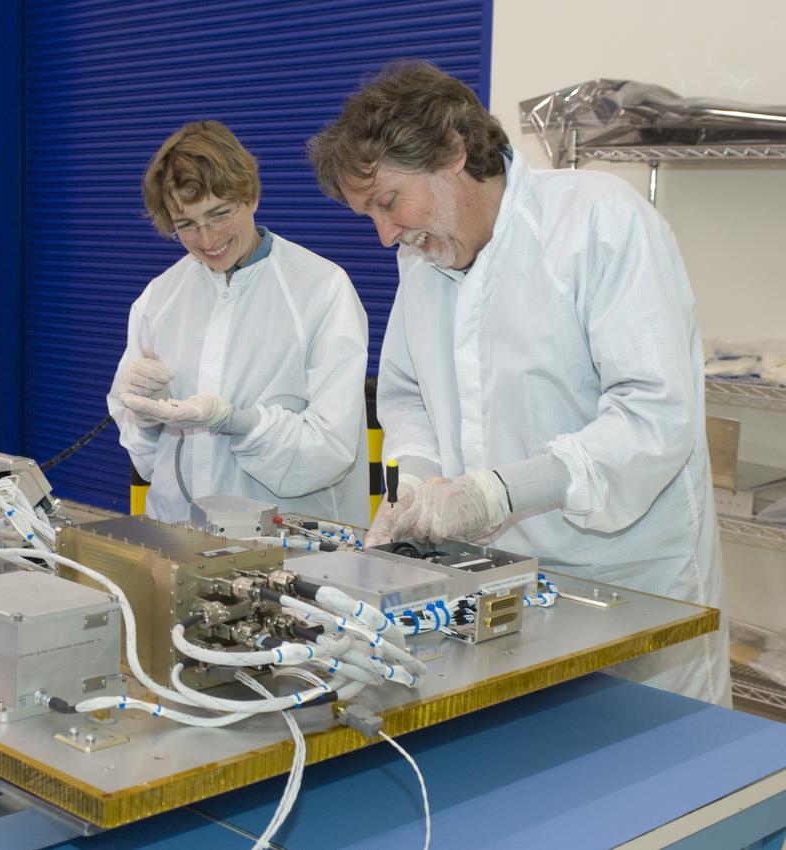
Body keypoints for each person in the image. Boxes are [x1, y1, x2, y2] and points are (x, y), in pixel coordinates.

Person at [307, 61, 729, 704]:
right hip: (506, 584)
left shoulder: (597, 223)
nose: (386, 234)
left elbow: (654, 417)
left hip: (633, 583)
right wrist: (415, 482)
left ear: (451, 152)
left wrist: (494, 495)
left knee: (654, 776)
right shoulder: (423, 260)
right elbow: (407, 394)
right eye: (370, 215)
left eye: (388, 202)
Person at [107, 120, 369, 528]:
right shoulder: (160, 297)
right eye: (187, 225)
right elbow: (143, 455)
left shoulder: (320, 289)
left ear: (252, 197)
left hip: (290, 543)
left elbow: (331, 449)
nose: (208, 239)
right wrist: (146, 416)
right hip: (179, 531)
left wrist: (240, 424)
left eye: (219, 214)